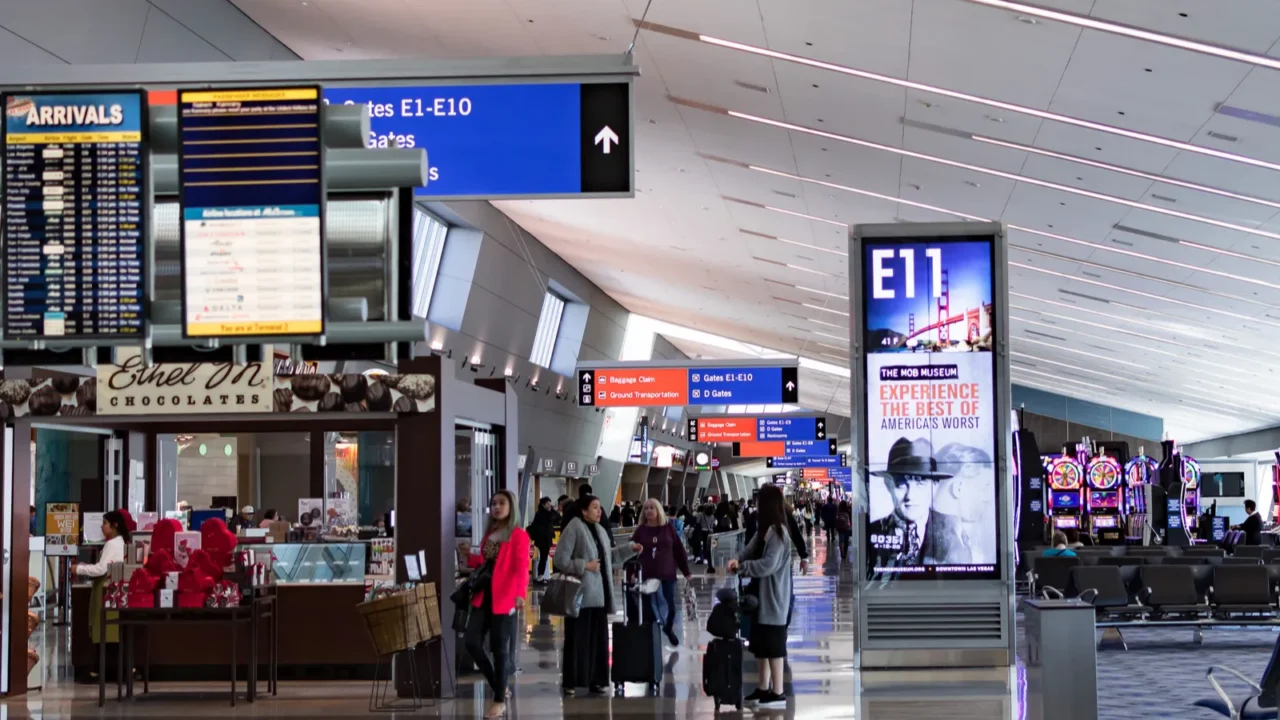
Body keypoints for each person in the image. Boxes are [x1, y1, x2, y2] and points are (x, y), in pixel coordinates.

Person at [554, 494, 635, 695]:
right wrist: (585, 565)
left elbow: (609, 558)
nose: (599, 511)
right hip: (580, 596)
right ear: (583, 510)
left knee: (598, 640)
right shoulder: (574, 527)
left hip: (599, 596)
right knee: (577, 639)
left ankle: (596, 680)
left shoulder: (600, 531)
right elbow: (560, 560)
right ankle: (572, 681)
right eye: (595, 507)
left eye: (600, 508)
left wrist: (630, 550)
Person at [463, 490, 530, 719]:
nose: (497, 507)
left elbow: (522, 568)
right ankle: (499, 685)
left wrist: (520, 594)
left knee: (499, 649)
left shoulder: (518, 535)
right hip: (484, 595)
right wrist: (469, 557)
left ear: (511, 506)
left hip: (506, 596)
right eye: (493, 503)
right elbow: (485, 562)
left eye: (502, 503)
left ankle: (499, 700)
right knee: (471, 641)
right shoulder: (490, 533)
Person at [727, 485, 793, 709]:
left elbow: (768, 565)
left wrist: (743, 567)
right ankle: (763, 687)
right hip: (760, 598)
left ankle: (778, 692)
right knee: (761, 646)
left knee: (774, 647)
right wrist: (737, 559)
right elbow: (749, 549)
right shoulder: (764, 530)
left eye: (759, 501)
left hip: (774, 598)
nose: (756, 504)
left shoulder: (779, 533)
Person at [867, 438, 972, 569]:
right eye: (901, 485)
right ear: (888, 485)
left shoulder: (952, 530)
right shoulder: (871, 532)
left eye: (920, 484)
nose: (910, 496)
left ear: (934, 485)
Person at [630, 498, 692, 646]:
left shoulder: (668, 529)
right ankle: (654, 631)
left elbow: (678, 550)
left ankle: (668, 628)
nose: (649, 511)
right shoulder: (640, 531)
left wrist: (686, 571)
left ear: (658, 511)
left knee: (671, 606)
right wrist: (632, 573)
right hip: (647, 574)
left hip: (667, 573)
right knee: (651, 605)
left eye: (652, 508)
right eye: (646, 508)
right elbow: (631, 552)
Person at [73, 510, 131, 646]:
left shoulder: (112, 544)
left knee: (102, 627)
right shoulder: (121, 542)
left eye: (105, 523)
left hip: (105, 591)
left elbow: (101, 569)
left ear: (114, 525)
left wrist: (78, 569)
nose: (102, 526)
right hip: (115, 591)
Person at [527, 497, 557, 584]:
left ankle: (541, 576)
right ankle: (540, 577)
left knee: (543, 557)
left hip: (544, 538)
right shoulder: (542, 513)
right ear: (543, 504)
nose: (550, 505)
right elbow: (551, 518)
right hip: (543, 539)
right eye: (548, 503)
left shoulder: (543, 513)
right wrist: (554, 511)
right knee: (543, 557)